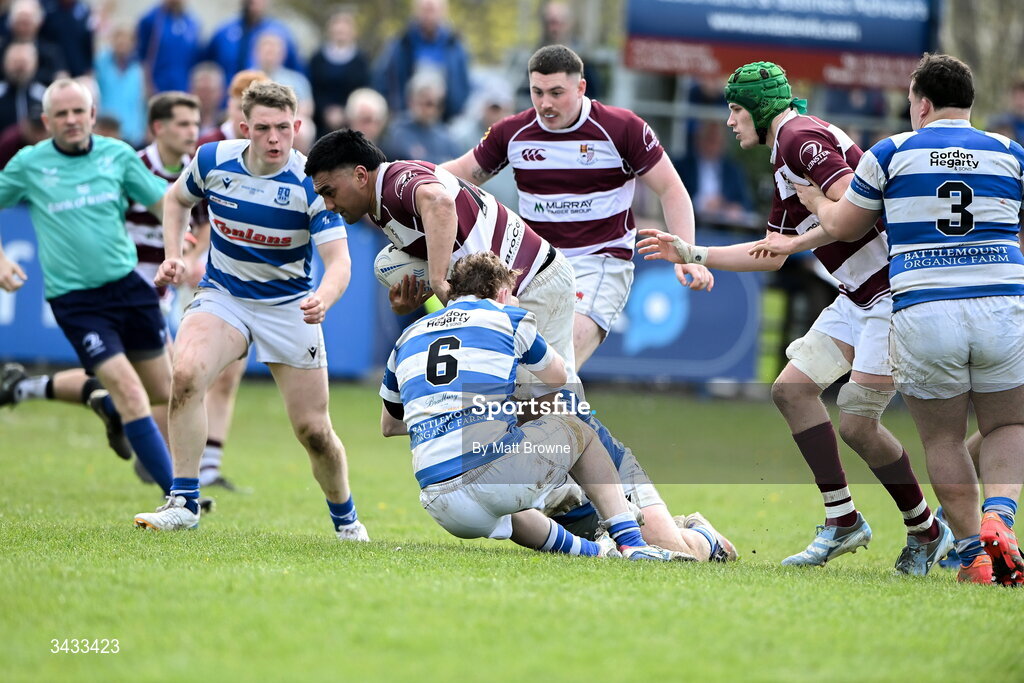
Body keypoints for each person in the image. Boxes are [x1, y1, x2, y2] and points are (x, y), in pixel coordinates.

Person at [304, 129, 735, 560]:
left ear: (361, 175)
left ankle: (662, 533)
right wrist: (418, 300)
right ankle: (646, 531)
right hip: (512, 294)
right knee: (529, 428)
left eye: (329, 190)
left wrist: (438, 282)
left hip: (529, 287)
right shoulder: (385, 208)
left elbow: (438, 201)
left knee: (561, 417)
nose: (327, 203)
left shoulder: (396, 181)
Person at [637, 61, 952, 576]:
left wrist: (808, 234)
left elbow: (858, 203)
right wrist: (693, 253)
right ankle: (843, 520)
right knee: (792, 389)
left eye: (736, 109)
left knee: (858, 425)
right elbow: (774, 253)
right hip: (859, 297)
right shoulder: (789, 150)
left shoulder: (797, 138)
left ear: (760, 109)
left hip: (890, 297)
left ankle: (926, 531)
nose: (732, 121)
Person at [780, 54, 1023, 586]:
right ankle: (999, 518)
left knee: (944, 440)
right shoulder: (1010, 153)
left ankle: (973, 557)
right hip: (1000, 304)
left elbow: (845, 226)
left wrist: (816, 198)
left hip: (924, 309)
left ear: (922, 104)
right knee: (1007, 423)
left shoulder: (891, 152)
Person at [133, 82, 368, 542]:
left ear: (298, 126)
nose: (276, 138)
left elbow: (340, 262)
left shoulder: (311, 182)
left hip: (289, 306)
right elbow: (176, 200)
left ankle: (346, 519)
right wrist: (173, 253)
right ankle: (183, 501)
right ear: (245, 128)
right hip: (224, 295)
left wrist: (325, 295)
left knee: (314, 430)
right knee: (186, 375)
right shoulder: (211, 160)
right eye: (264, 128)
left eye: (285, 127)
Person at [379, 250, 695, 560]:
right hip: (489, 479)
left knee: (510, 509)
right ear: (503, 293)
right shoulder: (509, 317)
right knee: (575, 425)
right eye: (514, 294)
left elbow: (390, 425)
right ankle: (633, 543)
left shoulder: (407, 337)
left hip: (441, 504)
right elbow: (558, 377)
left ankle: (597, 552)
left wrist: (455, 412)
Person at [441, 44, 711, 368]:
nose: (545, 104)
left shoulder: (622, 128)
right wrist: (397, 180)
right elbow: (454, 176)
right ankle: (562, 420)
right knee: (516, 375)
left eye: (556, 93)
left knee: (554, 363)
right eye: (537, 92)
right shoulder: (512, 133)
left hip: (599, 264)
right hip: (536, 266)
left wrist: (688, 253)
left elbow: (671, 189)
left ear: (581, 87)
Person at [0, 78, 174, 498]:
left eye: (79, 111)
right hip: (77, 301)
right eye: (61, 114)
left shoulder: (118, 155)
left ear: (93, 115)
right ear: (46, 121)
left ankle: (110, 409)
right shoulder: (29, 164)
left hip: (130, 290)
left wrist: (177, 246)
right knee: (133, 393)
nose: (72, 120)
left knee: (164, 394)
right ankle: (181, 498)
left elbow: (165, 203)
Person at [372, 0, 470, 123]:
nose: (429, 15)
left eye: (432, 10)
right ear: (416, 11)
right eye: (425, 10)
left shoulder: (456, 45)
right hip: (407, 120)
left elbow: (464, 83)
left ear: (443, 11)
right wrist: (393, 109)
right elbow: (382, 79)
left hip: (447, 121)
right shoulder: (401, 43)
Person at [202, 0, 301, 83]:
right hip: (228, 99)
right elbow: (207, 66)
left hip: (264, 99)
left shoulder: (281, 33)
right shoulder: (224, 31)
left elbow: (295, 71)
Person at [308, 9, 370, 135]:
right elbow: (313, 87)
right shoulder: (317, 58)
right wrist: (325, 111)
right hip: (321, 120)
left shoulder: (361, 60)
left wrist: (345, 111)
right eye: (337, 30)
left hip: (351, 119)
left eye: (344, 30)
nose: (340, 33)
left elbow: (363, 89)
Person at [380, 69, 459, 163]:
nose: (431, 110)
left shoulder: (446, 136)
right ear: (411, 101)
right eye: (427, 103)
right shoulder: (397, 131)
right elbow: (411, 161)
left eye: (436, 104)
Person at [136, 0, 203, 95]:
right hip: (157, 87)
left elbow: (195, 59)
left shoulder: (192, 23)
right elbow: (141, 57)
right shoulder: (151, 20)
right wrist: (147, 84)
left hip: (183, 89)